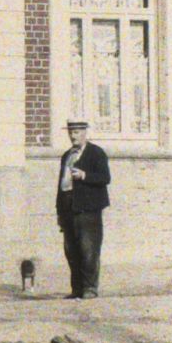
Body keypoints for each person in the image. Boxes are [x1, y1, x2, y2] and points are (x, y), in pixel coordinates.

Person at [57, 120, 112, 299]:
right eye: (71, 132)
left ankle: (89, 288)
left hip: (88, 208)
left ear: (85, 133)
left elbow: (105, 178)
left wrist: (84, 175)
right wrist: (59, 212)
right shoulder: (66, 156)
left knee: (88, 249)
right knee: (71, 251)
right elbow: (61, 186)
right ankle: (77, 289)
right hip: (68, 208)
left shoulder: (96, 153)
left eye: (77, 132)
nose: (73, 136)